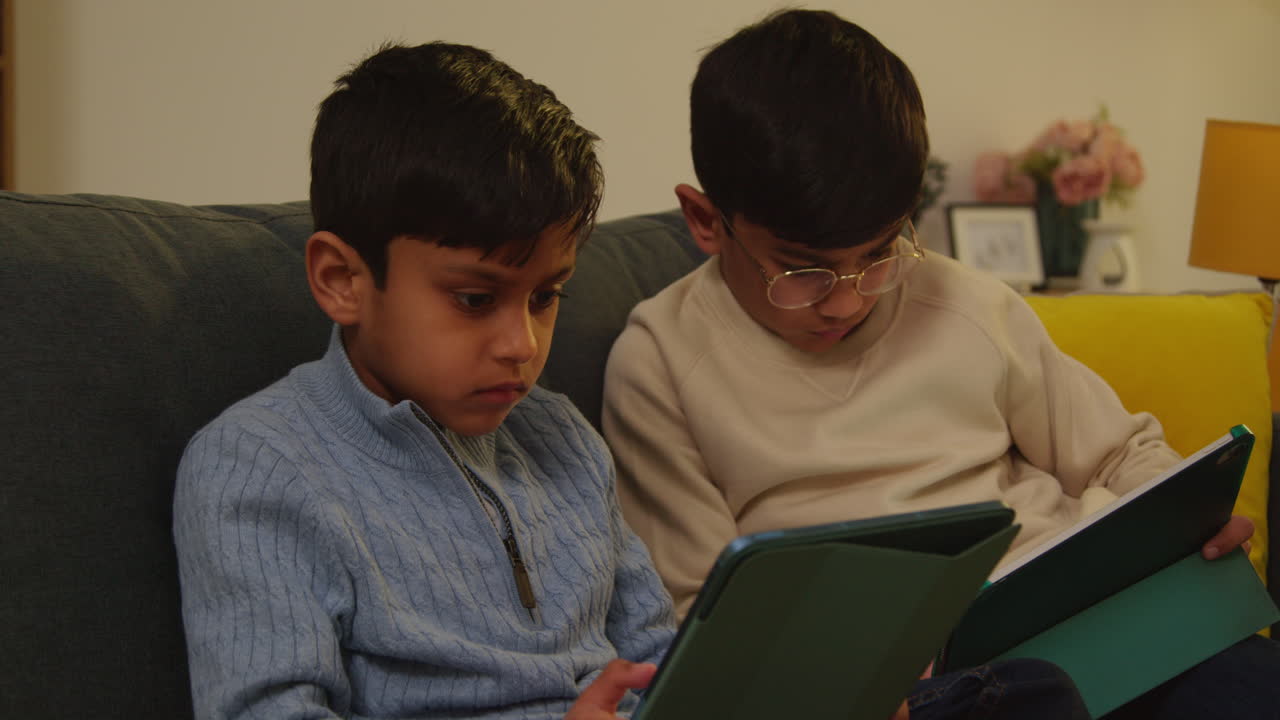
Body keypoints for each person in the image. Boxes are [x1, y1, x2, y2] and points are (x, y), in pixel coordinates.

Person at [602, 8, 1279, 720]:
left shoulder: (965, 302)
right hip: (913, 691)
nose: (848, 302)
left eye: (879, 255)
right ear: (706, 221)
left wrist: (1181, 513)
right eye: (802, 272)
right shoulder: (660, 365)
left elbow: (1121, 453)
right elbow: (700, 618)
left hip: (1099, 625)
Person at [173, 42, 674, 720]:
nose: (522, 346)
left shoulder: (561, 435)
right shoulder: (258, 467)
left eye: (546, 296)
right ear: (342, 280)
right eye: (474, 299)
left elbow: (661, 662)